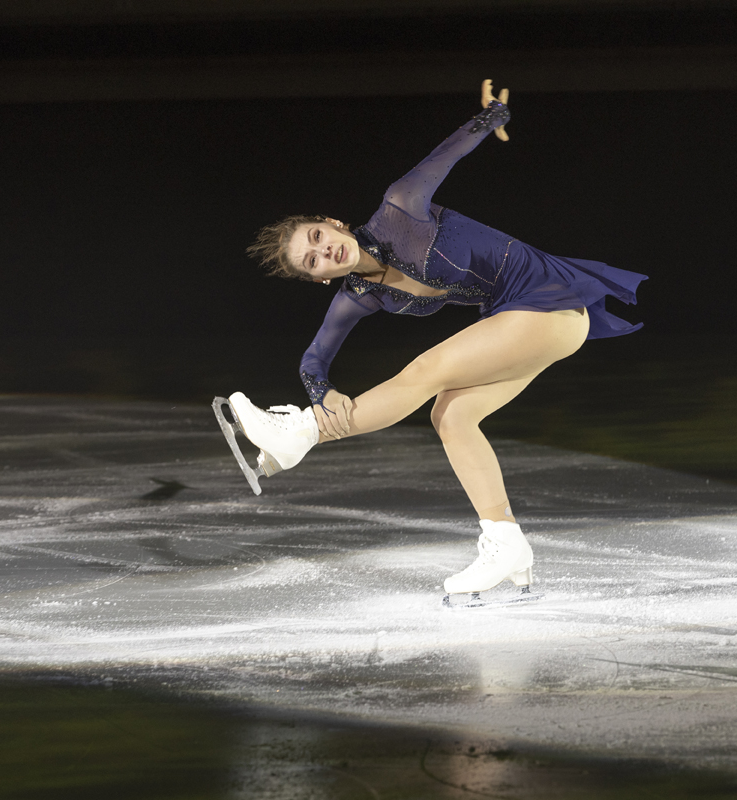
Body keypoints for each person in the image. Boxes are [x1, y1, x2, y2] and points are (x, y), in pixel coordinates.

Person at [227, 80, 646, 603]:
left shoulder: (401, 208)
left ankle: (298, 436)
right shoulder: (359, 294)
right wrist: (319, 392)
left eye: (316, 237)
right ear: (319, 280)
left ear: (331, 223)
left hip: (551, 301)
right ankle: (506, 542)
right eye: (311, 261)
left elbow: (447, 154)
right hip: (528, 322)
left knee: (426, 371)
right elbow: (316, 357)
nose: (323, 251)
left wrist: (492, 116)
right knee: (451, 415)